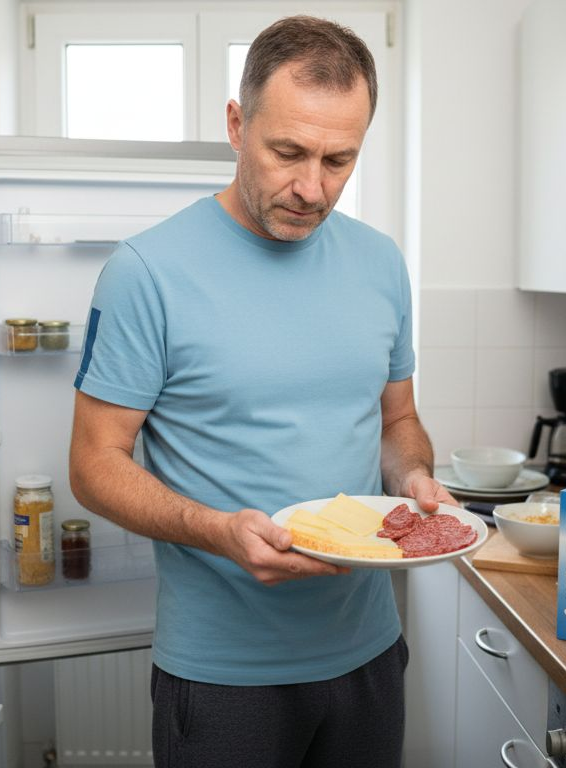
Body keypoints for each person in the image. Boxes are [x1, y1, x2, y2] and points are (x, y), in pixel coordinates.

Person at [69, 15, 455, 768]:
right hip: (223, 674)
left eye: (339, 161)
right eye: (288, 153)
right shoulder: (147, 272)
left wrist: (413, 480)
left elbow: (396, 418)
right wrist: (219, 531)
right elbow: (94, 464)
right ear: (237, 124)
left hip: (370, 652)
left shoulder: (380, 263)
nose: (312, 188)